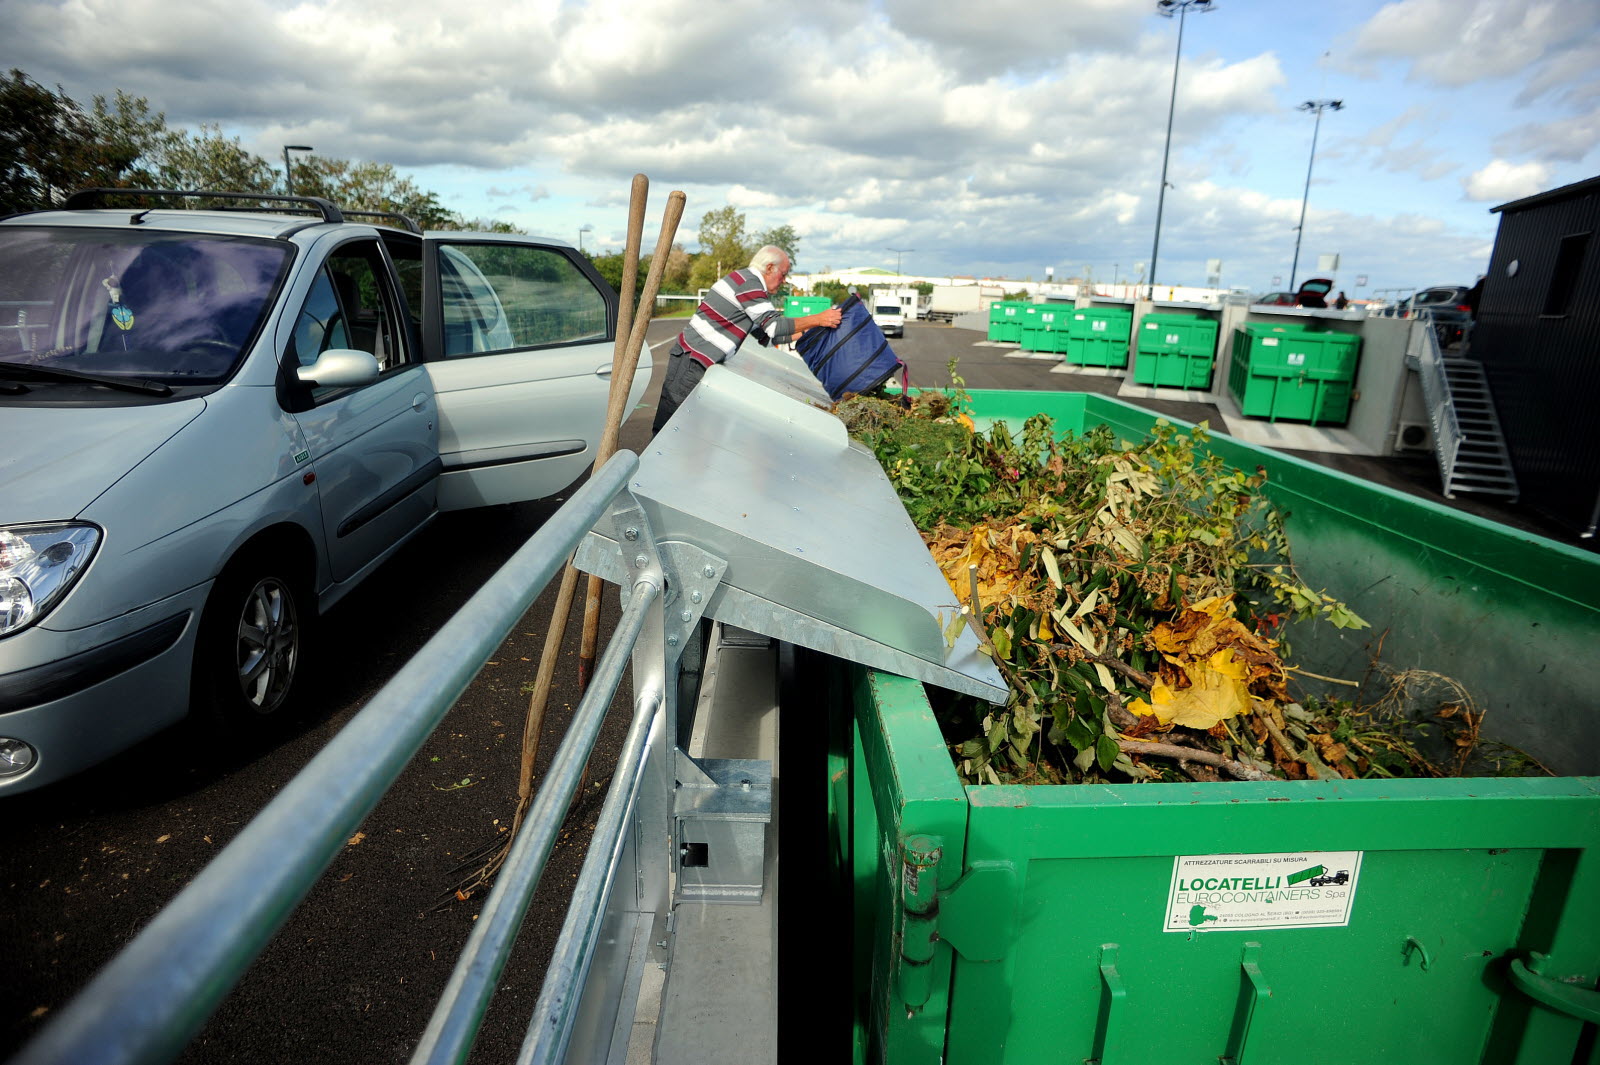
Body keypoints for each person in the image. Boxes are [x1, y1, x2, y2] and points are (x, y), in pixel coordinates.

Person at [652, 245, 841, 432]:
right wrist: (819, 318)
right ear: (769, 268)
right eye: (783, 274)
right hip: (691, 361)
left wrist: (812, 330)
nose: (783, 281)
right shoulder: (749, 284)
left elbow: (767, 335)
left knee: (683, 427)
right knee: (671, 426)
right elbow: (774, 327)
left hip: (695, 360)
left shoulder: (746, 282)